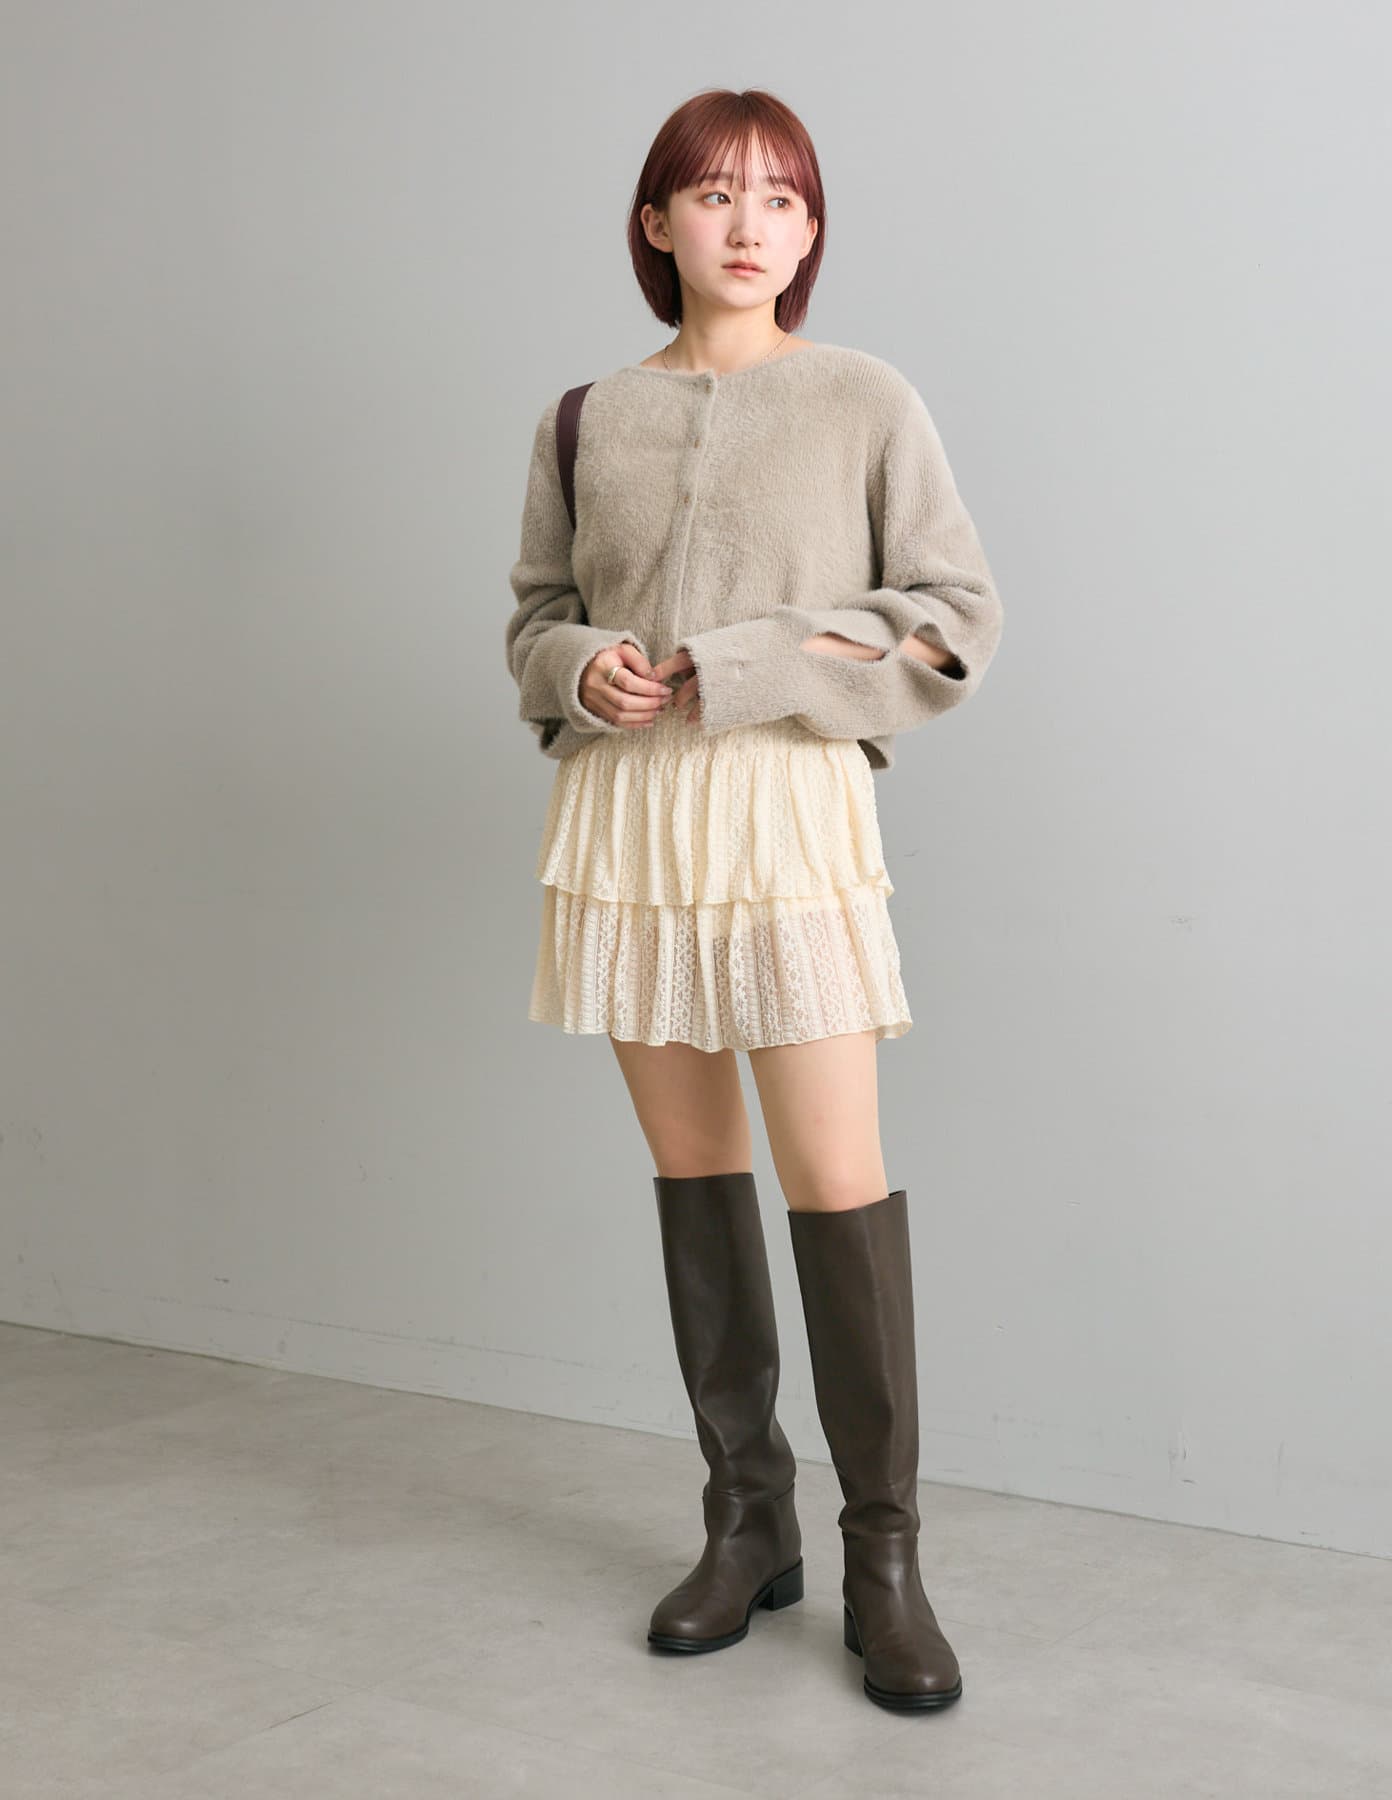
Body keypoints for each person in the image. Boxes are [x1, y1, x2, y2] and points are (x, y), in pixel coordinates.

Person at [505, 88, 1002, 1713]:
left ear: (809, 231)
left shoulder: (863, 399)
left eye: (780, 197)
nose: (748, 224)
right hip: (629, 823)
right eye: (714, 195)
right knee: (694, 1171)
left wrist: (754, 662)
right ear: (656, 223)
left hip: (787, 813)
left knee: (835, 1178)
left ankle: (885, 1563)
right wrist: (584, 666)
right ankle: (746, 1521)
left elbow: (952, 615)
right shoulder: (585, 417)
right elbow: (534, 616)